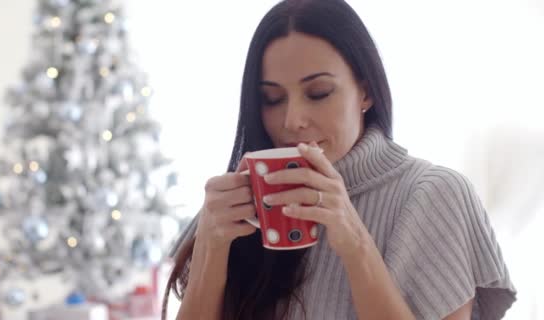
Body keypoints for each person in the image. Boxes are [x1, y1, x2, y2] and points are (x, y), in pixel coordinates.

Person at [162, 0, 516, 319]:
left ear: (365, 90)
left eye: (318, 93)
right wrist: (211, 246)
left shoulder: (434, 195)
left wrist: (354, 241)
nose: (291, 120)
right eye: (272, 99)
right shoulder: (240, 202)